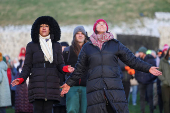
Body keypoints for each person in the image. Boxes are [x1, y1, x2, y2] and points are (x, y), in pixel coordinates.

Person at [60, 19, 162, 113]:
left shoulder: (115, 44)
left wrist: (148, 68)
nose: (101, 25)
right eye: (99, 24)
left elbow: (132, 60)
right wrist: (69, 83)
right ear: (95, 28)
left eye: (103, 23)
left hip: (114, 87)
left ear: (106, 28)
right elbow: (79, 68)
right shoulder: (87, 47)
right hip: (95, 89)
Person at [11, 16, 74, 113]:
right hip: (36, 85)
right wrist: (21, 78)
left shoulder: (56, 45)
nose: (44, 28)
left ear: (51, 28)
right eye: (41, 26)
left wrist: (66, 68)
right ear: (37, 29)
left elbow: (60, 64)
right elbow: (27, 66)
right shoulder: (31, 45)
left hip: (51, 84)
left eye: (46, 26)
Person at [63, 26, 88, 113]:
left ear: (85, 36)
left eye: (82, 33)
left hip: (87, 86)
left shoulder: (90, 50)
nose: (80, 35)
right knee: (72, 110)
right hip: (71, 86)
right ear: (74, 36)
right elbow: (61, 68)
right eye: (77, 33)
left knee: (85, 111)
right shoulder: (67, 51)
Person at [135, 47, 157, 113]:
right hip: (141, 82)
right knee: (142, 98)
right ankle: (142, 111)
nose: (139, 53)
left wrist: (150, 79)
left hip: (149, 82)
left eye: (140, 52)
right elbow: (137, 71)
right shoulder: (138, 60)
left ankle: (151, 111)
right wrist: (138, 79)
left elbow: (155, 71)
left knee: (150, 97)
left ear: (144, 52)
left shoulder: (151, 60)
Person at [53, 41, 69, 113]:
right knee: (57, 108)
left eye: (65, 50)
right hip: (57, 88)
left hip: (67, 88)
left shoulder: (70, 61)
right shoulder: (54, 61)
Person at [158, 47, 170, 113]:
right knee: (166, 102)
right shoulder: (162, 60)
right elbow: (159, 72)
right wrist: (164, 80)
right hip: (165, 85)